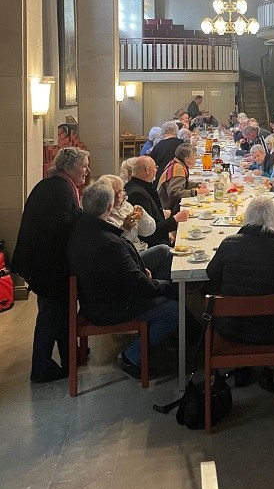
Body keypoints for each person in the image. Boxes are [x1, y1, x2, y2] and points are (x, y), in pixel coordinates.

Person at [68, 183, 179, 380]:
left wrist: (140, 269)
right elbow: (139, 285)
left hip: (96, 297)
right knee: (175, 308)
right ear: (110, 207)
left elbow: (122, 269)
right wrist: (169, 287)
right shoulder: (108, 243)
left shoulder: (82, 228)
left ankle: (171, 333)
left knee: (163, 260)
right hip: (112, 305)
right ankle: (132, 357)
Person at [206, 196, 274, 390]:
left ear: (246, 217)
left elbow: (211, 274)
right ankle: (268, 369)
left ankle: (242, 368)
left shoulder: (229, 244)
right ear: (273, 219)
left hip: (231, 328)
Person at [12, 147, 90, 382]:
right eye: (83, 165)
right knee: (50, 315)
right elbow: (63, 224)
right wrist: (84, 214)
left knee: (60, 312)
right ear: (69, 167)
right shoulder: (59, 188)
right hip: (45, 265)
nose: (87, 170)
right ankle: (41, 369)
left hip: (44, 261)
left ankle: (70, 357)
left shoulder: (55, 185)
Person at [97, 174, 172, 280]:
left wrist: (143, 216)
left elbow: (149, 231)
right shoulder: (105, 214)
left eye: (120, 191)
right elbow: (118, 247)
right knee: (165, 250)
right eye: (114, 193)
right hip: (129, 257)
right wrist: (125, 229)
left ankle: (159, 285)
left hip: (140, 249)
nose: (118, 197)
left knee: (168, 256)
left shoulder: (126, 205)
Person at [125, 156, 189, 246]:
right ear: (147, 170)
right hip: (153, 245)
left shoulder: (137, 186)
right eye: (155, 167)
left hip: (160, 237)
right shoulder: (138, 194)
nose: (156, 170)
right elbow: (150, 232)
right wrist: (175, 219)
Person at [157, 143, 205, 214]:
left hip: (168, 204)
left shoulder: (176, 163)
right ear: (186, 159)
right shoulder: (178, 169)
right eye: (194, 155)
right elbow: (174, 193)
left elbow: (183, 183)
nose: (196, 157)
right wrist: (195, 192)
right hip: (168, 208)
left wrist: (197, 185)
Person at [148, 121, 183, 185]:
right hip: (178, 175)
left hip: (162, 177)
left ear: (163, 132)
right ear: (176, 131)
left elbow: (150, 161)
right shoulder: (181, 143)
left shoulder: (159, 145)